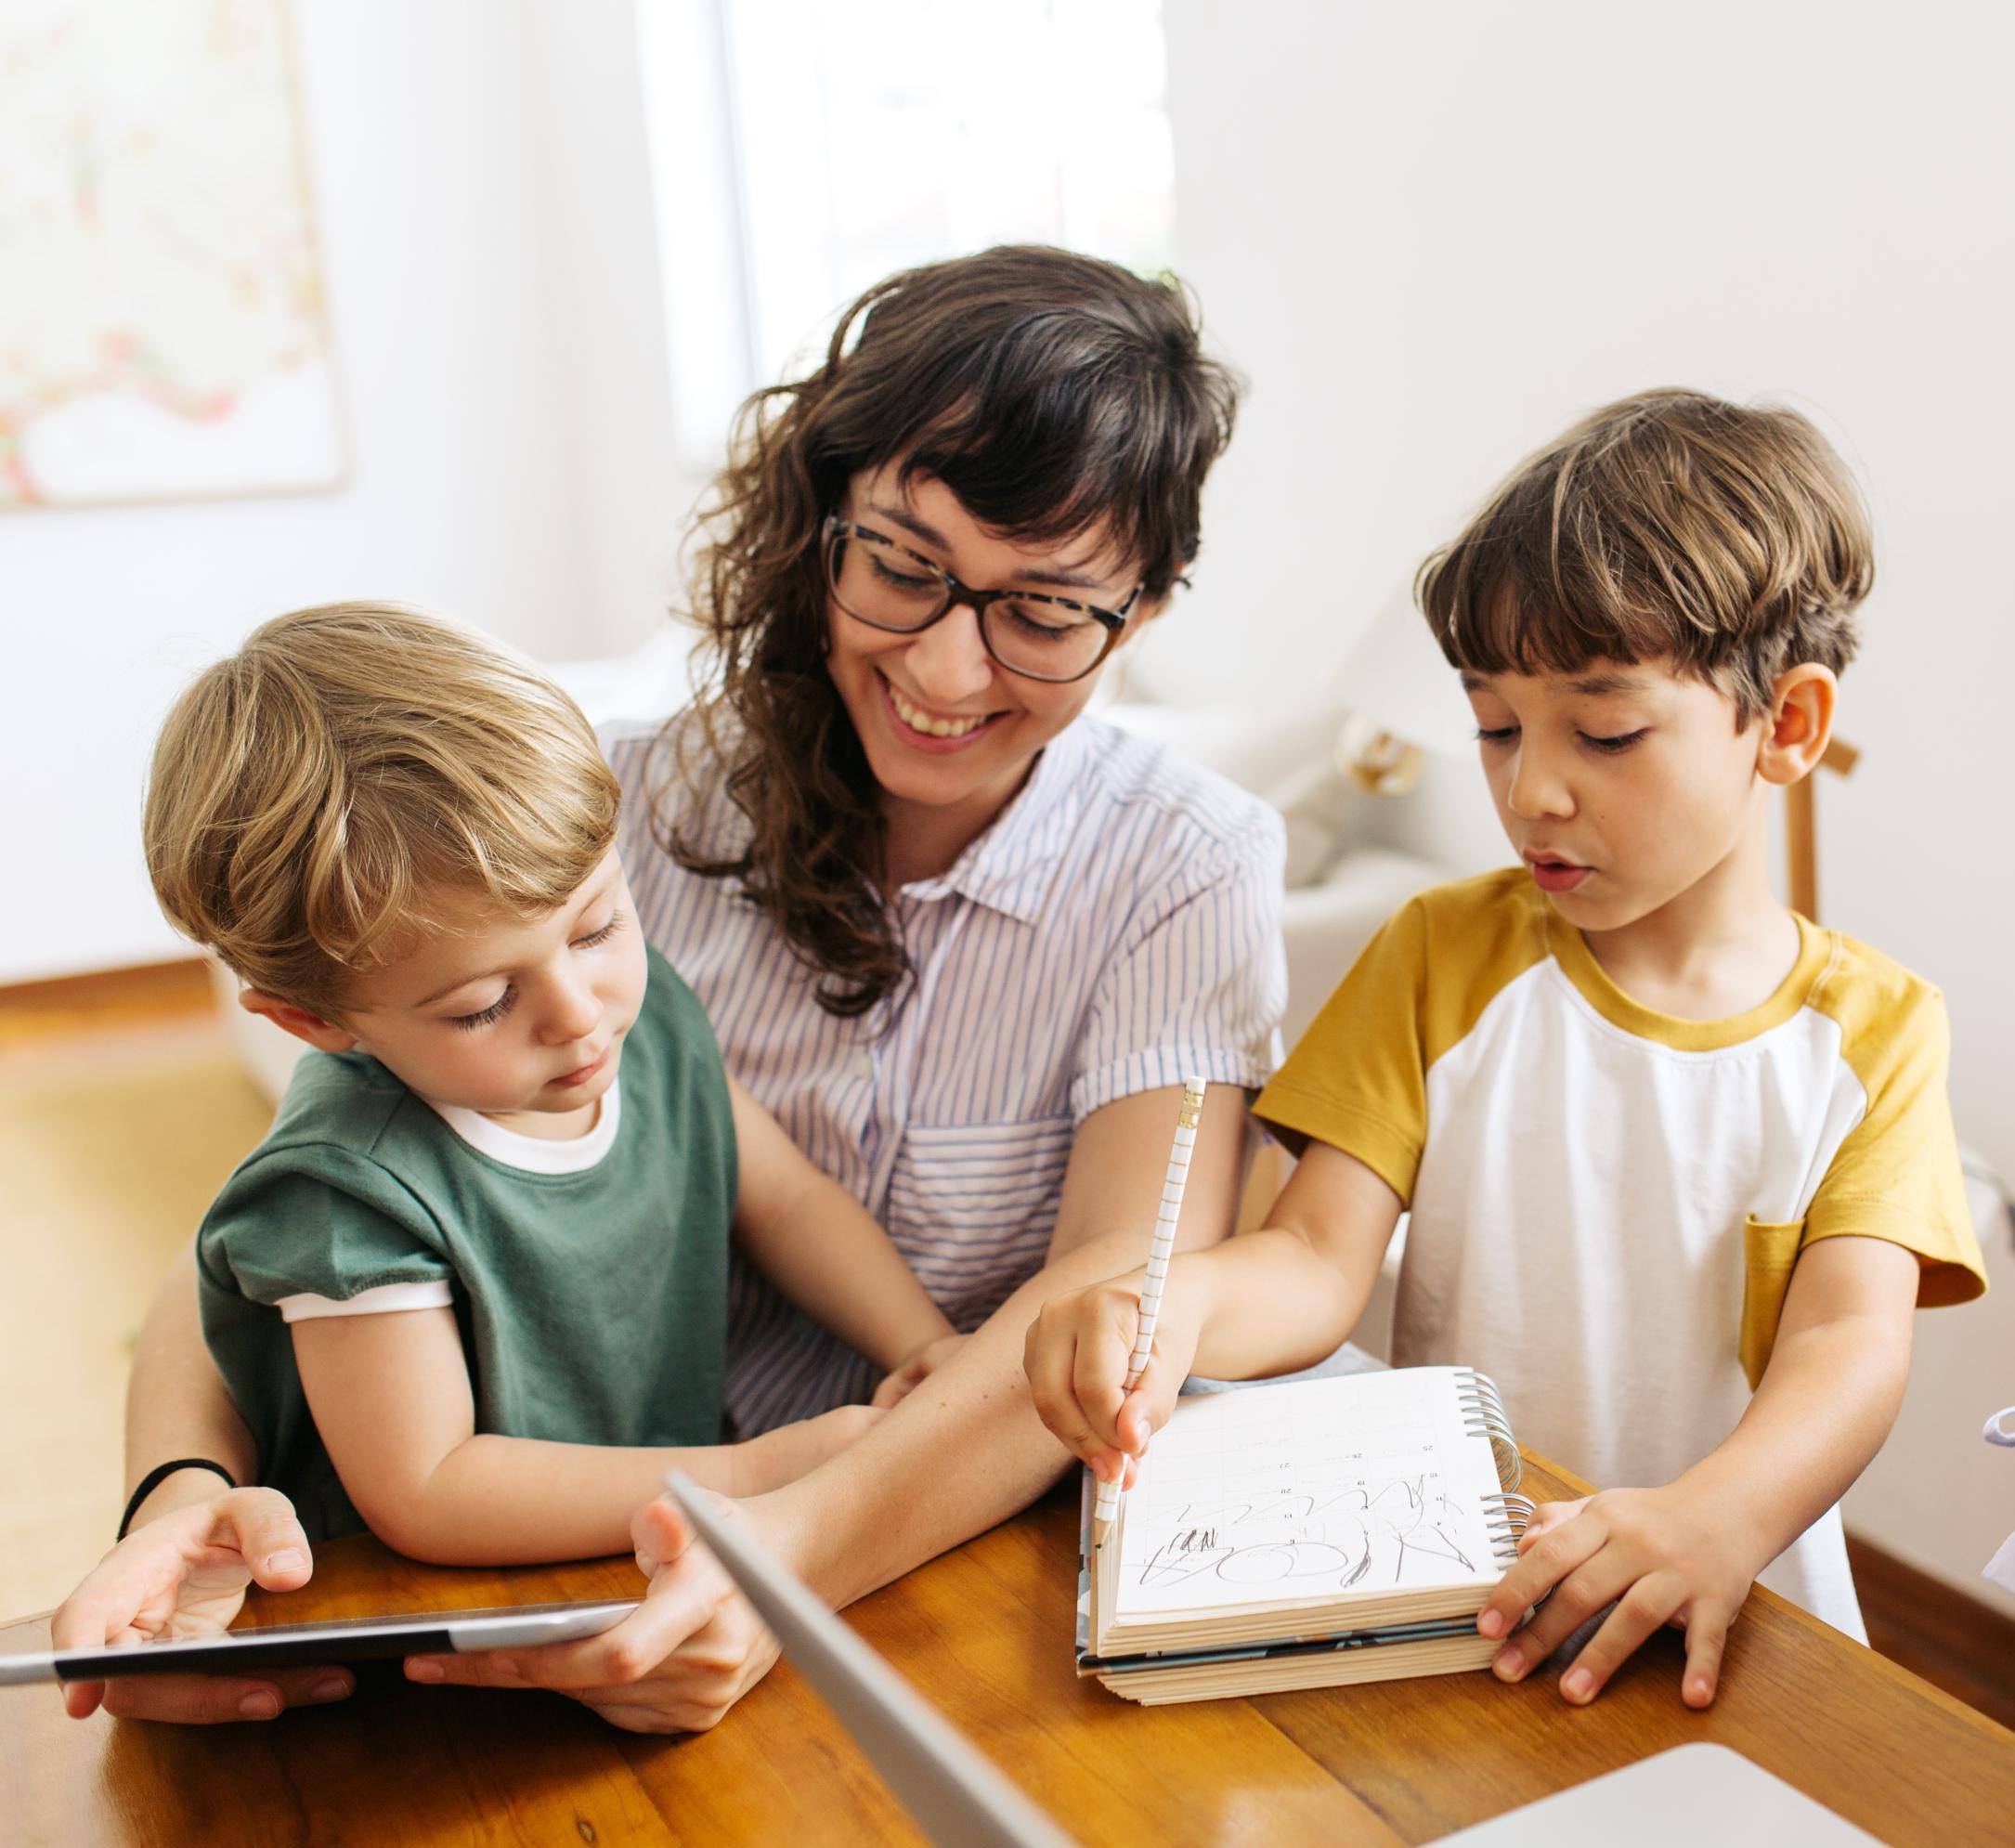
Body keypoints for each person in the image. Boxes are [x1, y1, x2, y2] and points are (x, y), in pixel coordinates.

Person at [52, 247, 1288, 1731]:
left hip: (930, 1546)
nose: (950, 668)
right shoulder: (596, 813)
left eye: (1043, 612)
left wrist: (783, 1555)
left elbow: (1103, 1312)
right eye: (902, 565)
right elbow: (278, 1228)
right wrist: (179, 1484)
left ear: (1140, 611)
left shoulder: (1185, 864)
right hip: (580, 1546)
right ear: (817, 518)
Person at [1024, 388, 1989, 1709]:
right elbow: (1311, 1259)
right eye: (1494, 725)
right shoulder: (1438, 954)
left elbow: (1847, 1348)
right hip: (1462, 1600)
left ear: (1786, 726)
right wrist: (1173, 1305)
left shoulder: (1874, 1030)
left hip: (1730, 1610)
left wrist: (1715, 1515)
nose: (1531, 786)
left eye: (1602, 730)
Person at [133, 604, 956, 1566]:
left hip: (643, 1540)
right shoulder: (347, 1190)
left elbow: (785, 1200)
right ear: (314, 1022)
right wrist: (758, 1470)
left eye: (596, 925)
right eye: (483, 1003)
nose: (578, 1011)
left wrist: (923, 1345)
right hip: (420, 1610)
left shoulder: (637, 1025)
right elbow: (429, 1488)